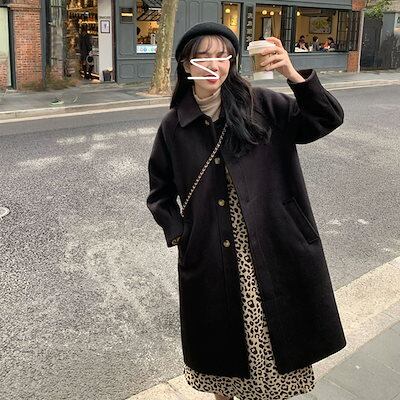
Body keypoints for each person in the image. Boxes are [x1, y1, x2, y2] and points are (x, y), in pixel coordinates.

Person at [146, 22, 346, 400]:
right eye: (202, 57)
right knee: (221, 353)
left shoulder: (263, 104)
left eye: (222, 56)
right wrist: (180, 233)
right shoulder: (174, 126)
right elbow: (160, 192)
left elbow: (326, 119)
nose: (213, 65)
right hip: (210, 252)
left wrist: (292, 74)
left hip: (272, 241)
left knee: (272, 346)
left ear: (232, 61)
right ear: (185, 65)